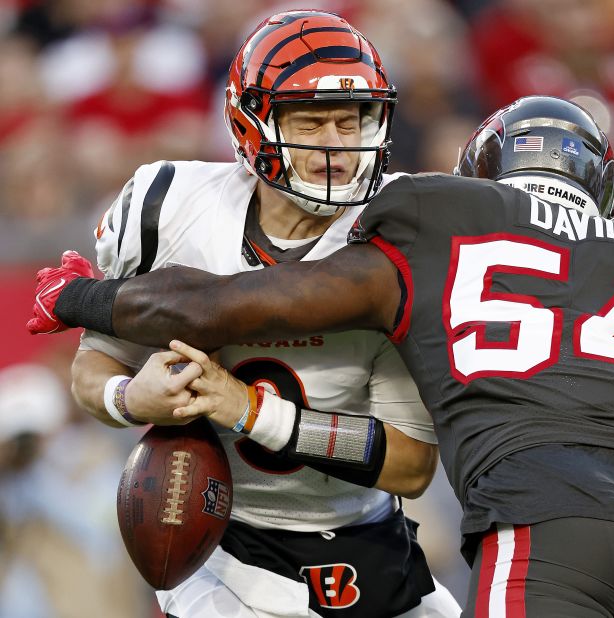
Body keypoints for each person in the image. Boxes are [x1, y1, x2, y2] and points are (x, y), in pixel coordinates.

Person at [29, 95, 614, 617]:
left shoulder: (438, 218)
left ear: (479, 174)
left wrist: (75, 298)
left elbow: (219, 306)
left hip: (541, 525)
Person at [31, 10, 461, 618]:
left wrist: (248, 409)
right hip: (228, 552)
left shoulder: (400, 230)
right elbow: (91, 369)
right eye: (311, 121)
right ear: (249, 122)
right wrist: (132, 397)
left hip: (370, 540)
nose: (337, 144)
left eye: (352, 119)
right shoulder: (174, 208)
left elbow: (410, 465)